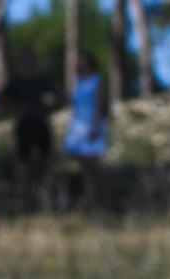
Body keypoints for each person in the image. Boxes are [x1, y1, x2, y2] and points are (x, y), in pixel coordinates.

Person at [1, 48, 58, 212]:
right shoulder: (15, 80)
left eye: (30, 59)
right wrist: (15, 111)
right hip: (23, 126)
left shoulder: (42, 79)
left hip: (41, 124)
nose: (28, 62)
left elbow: (58, 97)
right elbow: (3, 100)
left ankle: (49, 200)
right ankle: (23, 199)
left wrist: (48, 109)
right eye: (25, 59)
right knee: (22, 163)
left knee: (47, 163)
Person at [62, 52, 108, 211]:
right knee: (81, 161)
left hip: (91, 124)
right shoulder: (79, 82)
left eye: (83, 62)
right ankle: (91, 195)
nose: (80, 65)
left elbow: (99, 104)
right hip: (77, 125)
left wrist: (95, 125)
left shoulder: (97, 81)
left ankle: (104, 195)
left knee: (93, 162)